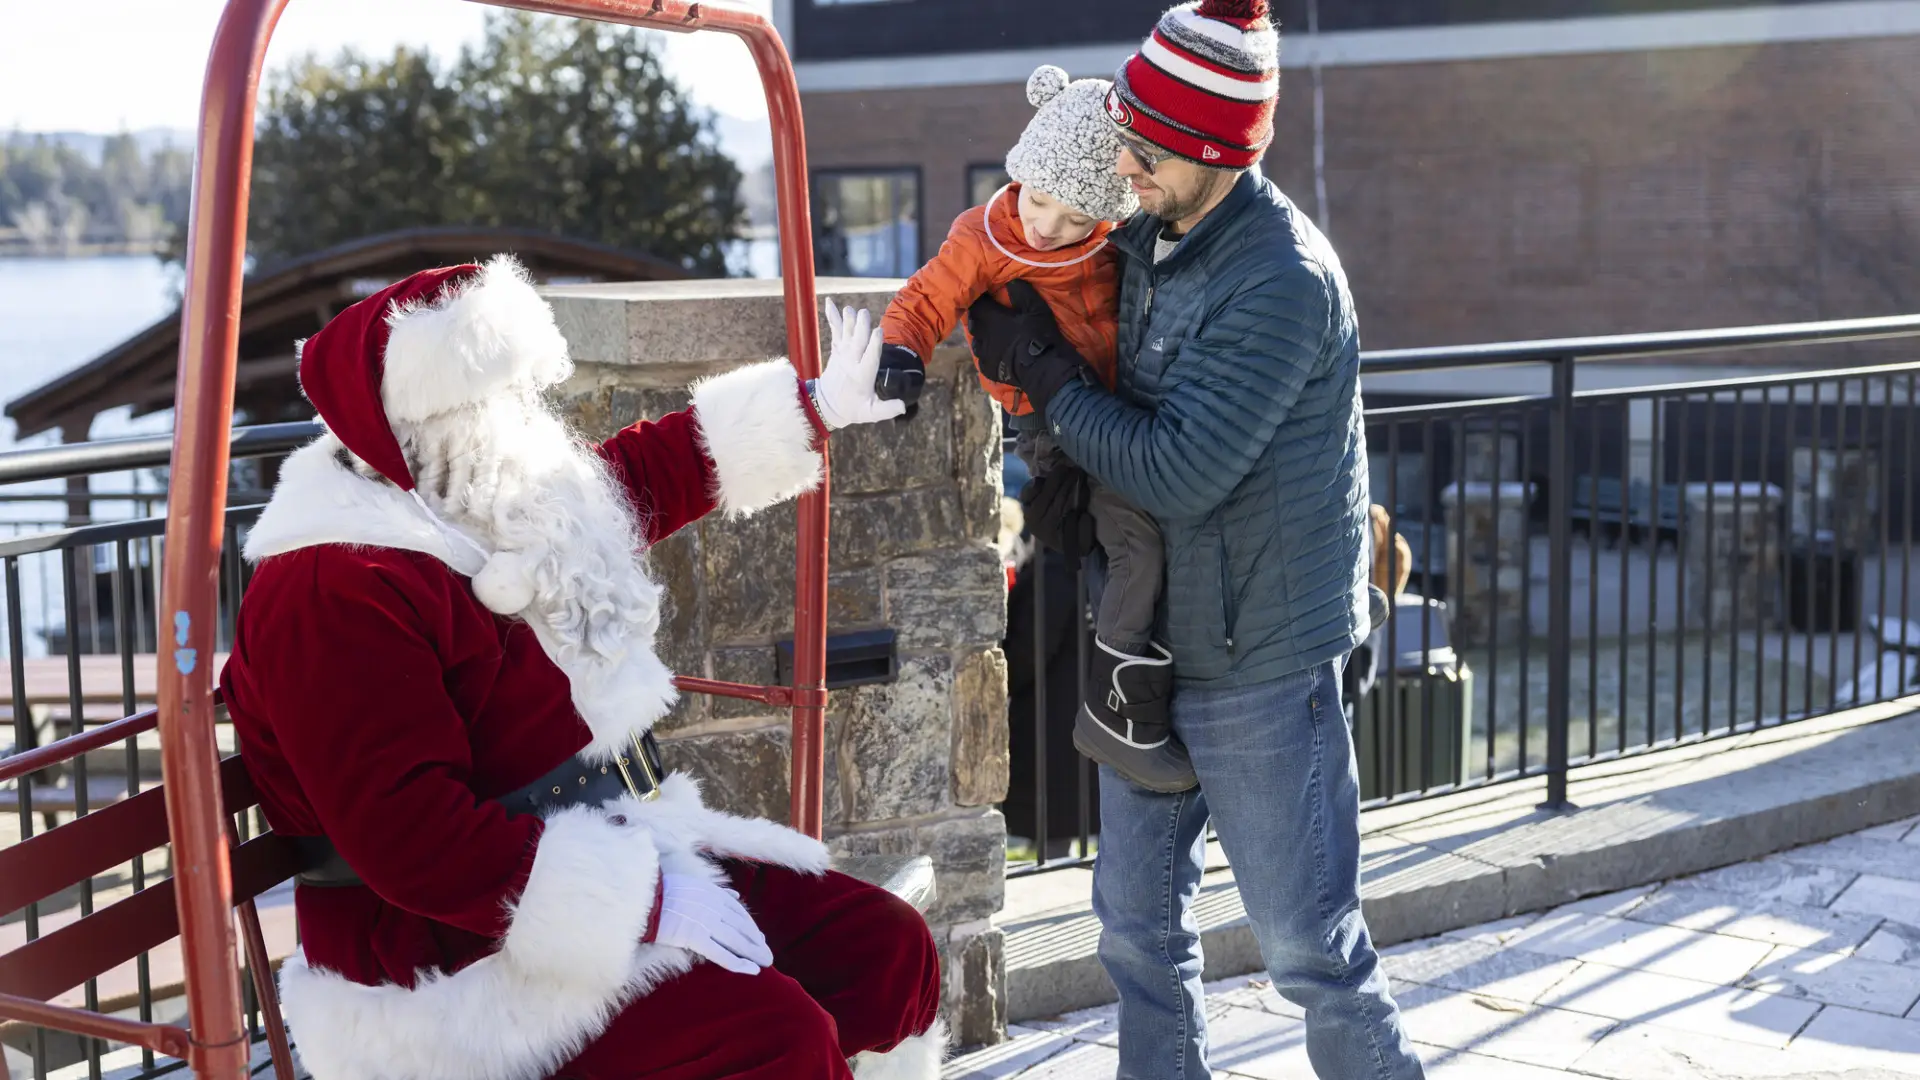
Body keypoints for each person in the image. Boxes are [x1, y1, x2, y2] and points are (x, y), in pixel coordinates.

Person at [219, 258, 945, 1080]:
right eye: (489, 401)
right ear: (412, 432)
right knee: (774, 1037)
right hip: (451, 964)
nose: (519, 417)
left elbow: (633, 480)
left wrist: (814, 407)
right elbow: (413, 843)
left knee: (883, 953)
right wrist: (645, 905)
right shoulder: (334, 589)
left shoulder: (471, 499)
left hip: (609, 851)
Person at [965, 0, 1427, 1076]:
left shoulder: (1281, 280)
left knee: (1311, 949)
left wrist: (1048, 377)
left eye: (1143, 146)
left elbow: (1179, 470)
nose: (1120, 161)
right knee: (1137, 937)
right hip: (1144, 649)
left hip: (1259, 663)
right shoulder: (1147, 232)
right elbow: (1029, 248)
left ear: (1216, 150)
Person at [876, 64, 1195, 792]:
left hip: (1117, 403)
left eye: (1076, 217)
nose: (1049, 227)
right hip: (1050, 416)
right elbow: (929, 297)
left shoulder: (1120, 236)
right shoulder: (986, 234)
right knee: (1136, 542)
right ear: (1022, 176)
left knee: (1152, 531)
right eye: (1042, 202)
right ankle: (1121, 710)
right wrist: (901, 351)